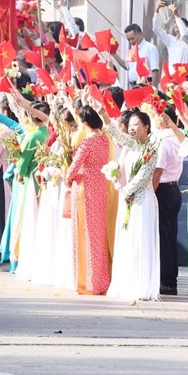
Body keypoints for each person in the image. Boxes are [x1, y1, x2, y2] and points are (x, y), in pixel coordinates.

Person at [103, 109, 161, 301]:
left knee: (141, 240)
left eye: (137, 124)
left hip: (143, 200)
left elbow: (144, 177)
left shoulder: (151, 149)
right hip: (128, 199)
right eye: (131, 125)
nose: (132, 128)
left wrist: (127, 191)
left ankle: (142, 285)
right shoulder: (132, 145)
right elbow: (116, 133)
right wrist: (103, 114)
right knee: (128, 240)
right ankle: (128, 282)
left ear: (146, 127)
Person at [65, 105, 112, 295]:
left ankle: (86, 282)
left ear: (85, 123)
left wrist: (67, 177)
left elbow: (73, 168)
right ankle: (100, 281)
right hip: (101, 188)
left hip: (85, 190)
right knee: (98, 236)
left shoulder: (86, 143)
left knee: (84, 235)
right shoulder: (104, 140)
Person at [153, 106, 185, 295]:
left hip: (163, 189)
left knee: (163, 238)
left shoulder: (164, 141)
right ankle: (170, 279)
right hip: (173, 188)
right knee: (170, 237)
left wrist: (151, 190)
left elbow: (158, 170)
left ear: (164, 119)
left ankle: (166, 281)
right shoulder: (177, 139)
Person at [152, 0, 188, 67]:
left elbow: (184, 34)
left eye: (179, 23)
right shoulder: (170, 40)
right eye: (175, 23)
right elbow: (156, 29)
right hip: (173, 77)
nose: (176, 24)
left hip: (185, 76)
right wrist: (156, 10)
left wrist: (176, 15)